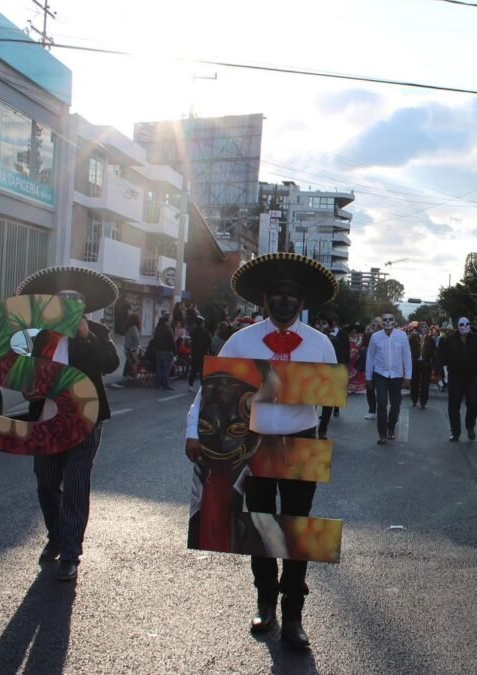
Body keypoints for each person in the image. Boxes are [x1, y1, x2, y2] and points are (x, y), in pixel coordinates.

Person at [185, 252, 339, 649]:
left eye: (292, 295)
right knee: (260, 525)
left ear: (302, 302)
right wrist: (193, 432)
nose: (285, 301)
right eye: (278, 294)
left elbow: (330, 398)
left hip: (301, 443)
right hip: (250, 446)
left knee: (298, 527)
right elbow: (212, 389)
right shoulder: (242, 340)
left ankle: (293, 615)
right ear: (265, 300)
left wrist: (299, 388)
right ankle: (265, 601)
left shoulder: (321, 344)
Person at [16, 265, 121, 581]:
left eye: (75, 300)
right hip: (47, 420)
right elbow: (31, 374)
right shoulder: (44, 337)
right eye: (63, 300)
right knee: (46, 482)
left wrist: (87, 336)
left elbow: (111, 363)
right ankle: (56, 536)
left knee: (75, 485)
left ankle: (71, 553)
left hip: (85, 421)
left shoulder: (96, 332)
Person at [365, 312, 411, 445]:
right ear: (382, 322)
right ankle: (382, 434)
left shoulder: (402, 336)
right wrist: (368, 377)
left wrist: (408, 376)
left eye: (390, 319)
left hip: (397, 375)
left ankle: (391, 427)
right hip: (380, 374)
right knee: (382, 403)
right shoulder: (375, 337)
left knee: (396, 404)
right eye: (385, 320)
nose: (387, 322)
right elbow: (370, 357)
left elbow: (407, 356)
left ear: (394, 321)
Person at [438, 316, 477, 441]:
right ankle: (455, 432)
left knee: (473, 403)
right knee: (453, 406)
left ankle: (470, 427)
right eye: (462, 325)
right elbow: (441, 358)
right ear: (457, 326)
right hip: (455, 378)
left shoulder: (476, 340)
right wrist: (441, 375)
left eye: (467, 324)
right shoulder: (449, 341)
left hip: (471, 378)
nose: (465, 327)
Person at [316, 313, 349, 439]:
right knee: (310, 404)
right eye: (318, 323)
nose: (320, 326)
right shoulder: (308, 338)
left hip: (330, 372)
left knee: (328, 403)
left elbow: (342, 357)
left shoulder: (335, 340)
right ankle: (312, 427)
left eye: (324, 323)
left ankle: (323, 429)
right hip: (311, 373)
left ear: (329, 325)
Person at [409, 321, 436, 409]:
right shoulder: (413, 338)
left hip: (426, 363)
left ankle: (423, 402)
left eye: (425, 327)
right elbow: (408, 350)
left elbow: (434, 353)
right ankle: (414, 399)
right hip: (415, 363)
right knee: (414, 383)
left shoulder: (431, 339)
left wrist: (435, 367)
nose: (424, 328)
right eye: (422, 326)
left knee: (425, 384)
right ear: (418, 328)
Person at [361, 319, 381, 420]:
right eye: (372, 325)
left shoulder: (384, 336)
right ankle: (372, 410)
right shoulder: (368, 335)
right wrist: (367, 334)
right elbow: (363, 345)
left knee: (381, 391)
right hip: (370, 366)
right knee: (370, 389)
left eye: (376, 325)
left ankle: (381, 410)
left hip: (381, 368)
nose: (374, 327)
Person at [188, 317, 213, 391]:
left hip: (194, 353)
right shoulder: (206, 332)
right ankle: (202, 386)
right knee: (203, 370)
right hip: (203, 353)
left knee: (193, 369)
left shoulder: (193, 331)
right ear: (202, 323)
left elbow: (190, 340)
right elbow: (209, 343)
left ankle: (190, 385)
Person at [154, 316, 176, 390]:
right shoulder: (168, 330)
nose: (170, 322)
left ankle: (158, 384)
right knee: (166, 369)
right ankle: (165, 384)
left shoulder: (157, 329)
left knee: (159, 368)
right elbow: (173, 341)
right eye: (169, 321)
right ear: (166, 322)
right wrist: (175, 351)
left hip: (158, 350)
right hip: (167, 351)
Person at [347, 324, 366, 394]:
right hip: (350, 357)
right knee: (350, 372)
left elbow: (361, 345)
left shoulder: (359, 338)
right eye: (352, 332)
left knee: (357, 372)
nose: (354, 333)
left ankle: (355, 388)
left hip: (357, 357)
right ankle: (350, 387)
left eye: (355, 332)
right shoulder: (348, 338)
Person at [123, 313, 141, 378]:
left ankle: (126, 373)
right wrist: (138, 346)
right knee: (135, 361)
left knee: (129, 360)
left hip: (127, 346)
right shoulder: (134, 328)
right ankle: (134, 374)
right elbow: (136, 337)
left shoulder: (128, 327)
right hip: (132, 347)